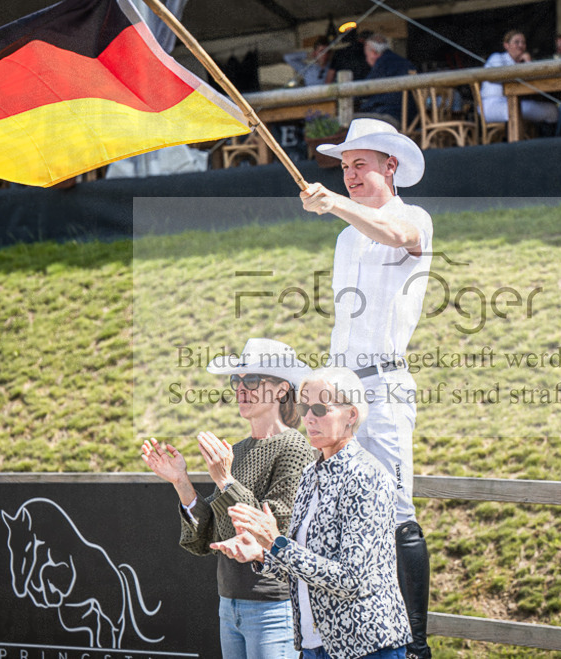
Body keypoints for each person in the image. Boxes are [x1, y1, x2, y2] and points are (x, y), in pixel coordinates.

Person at [297, 118, 433, 659]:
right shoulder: (343, 237)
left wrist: (334, 203)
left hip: (385, 384)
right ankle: (340, 634)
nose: (350, 175)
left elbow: (395, 235)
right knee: (337, 501)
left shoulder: (412, 217)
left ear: (390, 167)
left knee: (398, 509)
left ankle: (414, 641)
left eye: (361, 165)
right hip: (342, 386)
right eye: (345, 167)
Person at [213, 367, 412, 659]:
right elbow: (306, 567)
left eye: (320, 408)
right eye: (306, 407)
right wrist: (262, 555)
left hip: (366, 646)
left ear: (351, 415)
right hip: (315, 645)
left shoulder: (366, 476)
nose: (309, 417)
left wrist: (277, 543)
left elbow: (350, 579)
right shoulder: (310, 474)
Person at [140, 338, 314, 659]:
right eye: (237, 380)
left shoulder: (295, 448)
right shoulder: (237, 450)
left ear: (279, 390)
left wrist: (225, 479)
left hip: (274, 607)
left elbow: (272, 532)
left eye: (251, 380)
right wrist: (181, 482)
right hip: (229, 603)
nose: (240, 388)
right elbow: (209, 536)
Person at [479, 30, 559, 127]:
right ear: (506, 45)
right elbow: (496, 77)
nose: (521, 45)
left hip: (513, 103)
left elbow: (534, 81)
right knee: (550, 110)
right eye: (516, 42)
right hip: (493, 106)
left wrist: (528, 63)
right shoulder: (497, 57)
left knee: (552, 109)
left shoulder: (522, 63)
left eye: (523, 43)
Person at [357, 34, 416, 124]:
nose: (366, 60)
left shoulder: (382, 64)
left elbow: (363, 90)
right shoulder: (402, 62)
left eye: (367, 56)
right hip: (411, 117)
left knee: (345, 121)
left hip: (390, 115)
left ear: (374, 53)